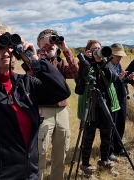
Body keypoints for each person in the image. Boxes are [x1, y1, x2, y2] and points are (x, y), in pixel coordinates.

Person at [0, 19, 71, 180]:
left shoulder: (25, 84)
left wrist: (34, 59)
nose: (6, 51)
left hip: (29, 173)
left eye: (9, 46)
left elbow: (61, 91)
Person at [34, 29, 79, 180]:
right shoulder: (35, 61)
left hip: (61, 112)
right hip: (42, 111)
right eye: (47, 40)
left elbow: (74, 73)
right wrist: (45, 47)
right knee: (40, 153)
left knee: (61, 154)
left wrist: (65, 49)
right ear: (39, 44)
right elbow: (33, 67)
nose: (52, 44)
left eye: (53, 40)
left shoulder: (60, 62)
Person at [76, 40, 120, 177]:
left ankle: (105, 162)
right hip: (91, 105)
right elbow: (80, 84)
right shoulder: (84, 63)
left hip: (106, 104)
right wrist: (86, 61)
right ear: (87, 51)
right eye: (94, 49)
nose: (97, 51)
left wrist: (101, 61)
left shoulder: (105, 62)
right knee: (88, 137)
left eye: (99, 48)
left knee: (107, 135)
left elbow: (112, 78)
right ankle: (86, 167)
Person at [108, 43, 133, 162]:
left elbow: (120, 80)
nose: (120, 58)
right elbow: (108, 84)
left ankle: (118, 148)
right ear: (112, 54)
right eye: (118, 56)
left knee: (121, 124)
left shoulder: (117, 64)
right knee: (112, 126)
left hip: (121, 98)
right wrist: (119, 79)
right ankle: (110, 151)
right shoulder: (106, 66)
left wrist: (126, 79)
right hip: (112, 99)